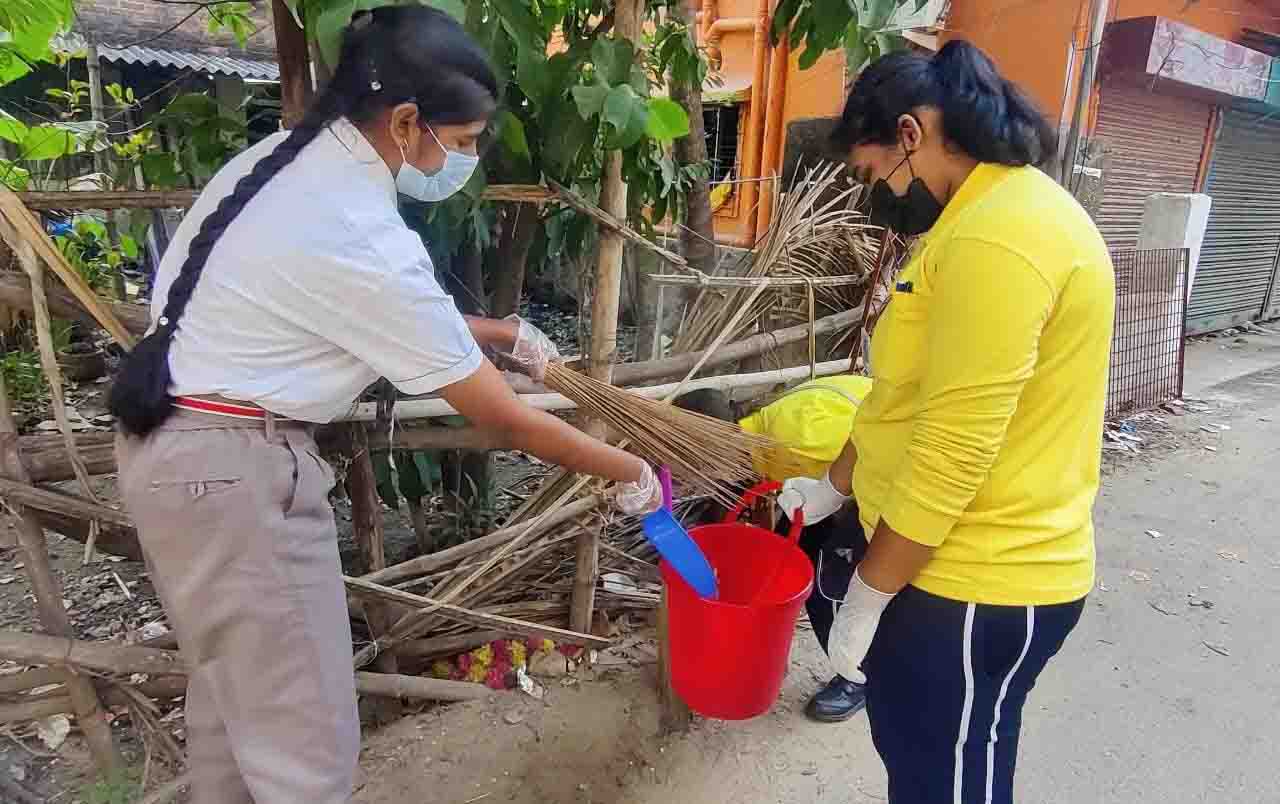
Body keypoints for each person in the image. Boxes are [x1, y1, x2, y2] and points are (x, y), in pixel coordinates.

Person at [108, 8, 661, 803]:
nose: (465, 160)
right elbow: (504, 416)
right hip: (235, 481)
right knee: (305, 755)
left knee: (238, 724)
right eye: (462, 141)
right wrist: (628, 469)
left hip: (179, 458)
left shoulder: (280, 163)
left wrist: (497, 331)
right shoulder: (359, 228)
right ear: (405, 122)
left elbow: (335, 302)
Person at [781, 40, 1115, 803]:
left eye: (872, 175)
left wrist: (869, 592)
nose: (877, 196)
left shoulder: (1000, 237)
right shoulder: (983, 220)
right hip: (952, 567)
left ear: (910, 134)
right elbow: (903, 399)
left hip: (977, 578)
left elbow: (954, 447)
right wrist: (835, 486)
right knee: (928, 765)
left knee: (946, 783)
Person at [675, 373, 873, 722]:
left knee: (824, 584)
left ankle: (858, 678)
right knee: (786, 561)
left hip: (883, 482)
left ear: (713, 446)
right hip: (836, 481)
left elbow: (871, 463)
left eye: (696, 462)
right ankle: (767, 652)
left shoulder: (795, 442)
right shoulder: (764, 430)